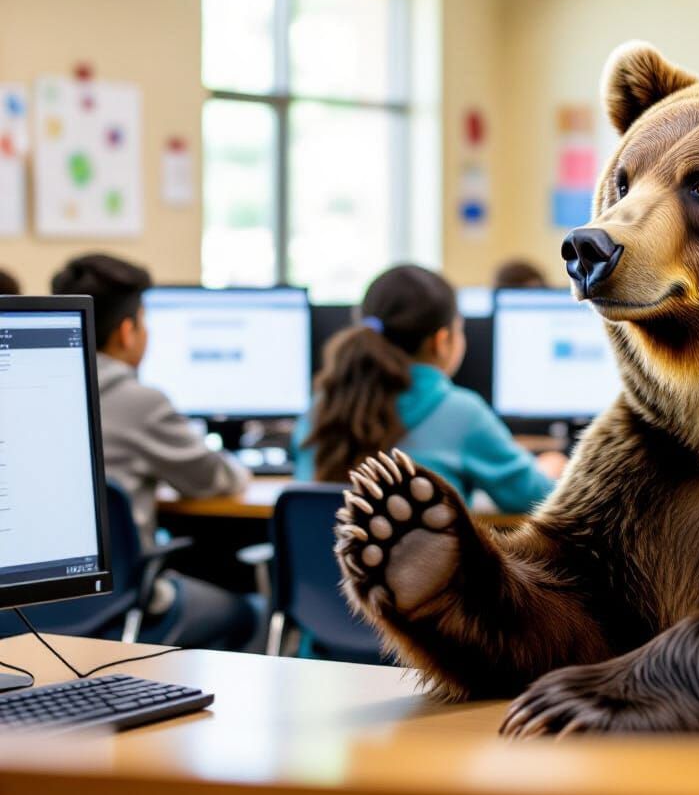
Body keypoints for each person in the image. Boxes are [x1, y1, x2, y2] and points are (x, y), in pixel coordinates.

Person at [52, 253, 257, 649]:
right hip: (118, 603)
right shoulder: (139, 402)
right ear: (127, 332)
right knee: (246, 611)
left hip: (27, 608)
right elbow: (214, 480)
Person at [294, 264, 566, 511]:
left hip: (328, 565)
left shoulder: (320, 409)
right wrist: (545, 470)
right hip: (426, 568)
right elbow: (535, 499)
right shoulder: (462, 413)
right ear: (441, 341)